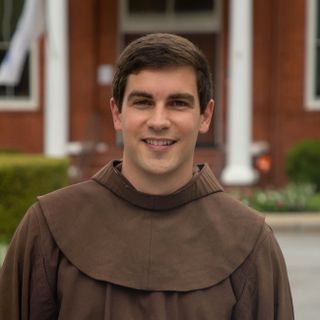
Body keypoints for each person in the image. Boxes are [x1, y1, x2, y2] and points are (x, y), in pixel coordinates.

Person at [0, 33, 294, 319]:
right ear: (117, 113)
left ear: (205, 116)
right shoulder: (49, 227)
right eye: (143, 102)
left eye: (178, 103)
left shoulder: (250, 242)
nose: (159, 121)